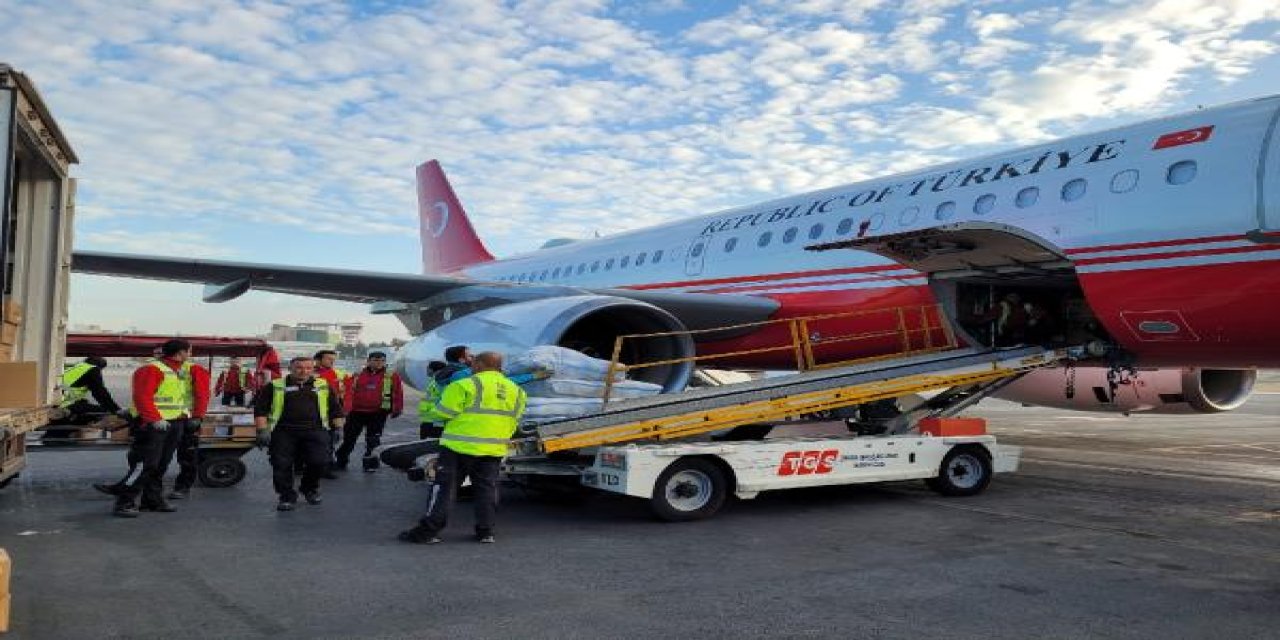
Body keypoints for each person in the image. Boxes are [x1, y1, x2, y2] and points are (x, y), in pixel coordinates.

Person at [399, 351, 526, 545]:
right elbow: (515, 420)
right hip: (493, 449)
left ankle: (427, 532)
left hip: (458, 447)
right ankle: (485, 532)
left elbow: (443, 413)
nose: (471, 366)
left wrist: (426, 409)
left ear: (481, 364)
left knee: (444, 489)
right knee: (487, 490)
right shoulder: (516, 391)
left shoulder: (464, 385)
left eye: (473, 363)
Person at [112, 339, 210, 517]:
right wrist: (153, 419)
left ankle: (152, 500)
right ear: (180, 353)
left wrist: (191, 416)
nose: (190, 354)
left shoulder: (178, 371)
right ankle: (124, 501)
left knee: (160, 465)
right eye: (189, 351)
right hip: (155, 425)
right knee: (145, 466)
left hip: (174, 423)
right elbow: (142, 397)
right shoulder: (152, 369)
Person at [254, 356, 345, 511]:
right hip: (283, 432)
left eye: (308, 368)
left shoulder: (323, 385)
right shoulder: (274, 386)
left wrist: (338, 428)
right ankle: (286, 496)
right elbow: (261, 410)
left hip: (315, 430)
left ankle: (309, 488)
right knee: (281, 465)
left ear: (313, 369)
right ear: (290, 369)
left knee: (320, 462)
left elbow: (335, 409)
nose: (304, 371)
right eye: (299, 368)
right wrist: (262, 430)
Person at [335, 352, 404, 471]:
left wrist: (397, 409)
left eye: (382, 361)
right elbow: (347, 391)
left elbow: (398, 393)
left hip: (378, 413)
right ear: (368, 361)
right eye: (376, 360)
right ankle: (341, 461)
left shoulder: (391, 375)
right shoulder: (357, 375)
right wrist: (345, 409)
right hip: (356, 412)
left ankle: (370, 464)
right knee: (349, 438)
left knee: (373, 440)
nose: (379, 363)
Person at [313, 350, 350, 478]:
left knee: (329, 441)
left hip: (331, 413)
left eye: (333, 359)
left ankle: (326, 467)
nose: (332, 361)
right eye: (329, 359)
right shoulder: (307, 372)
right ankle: (301, 465)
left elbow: (350, 388)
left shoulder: (338, 373)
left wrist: (345, 408)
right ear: (318, 360)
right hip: (311, 413)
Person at [417, 361, 447, 439]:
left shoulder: (441, 382)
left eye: (428, 368)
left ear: (433, 369)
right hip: (428, 419)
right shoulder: (433, 381)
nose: (427, 370)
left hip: (435, 421)